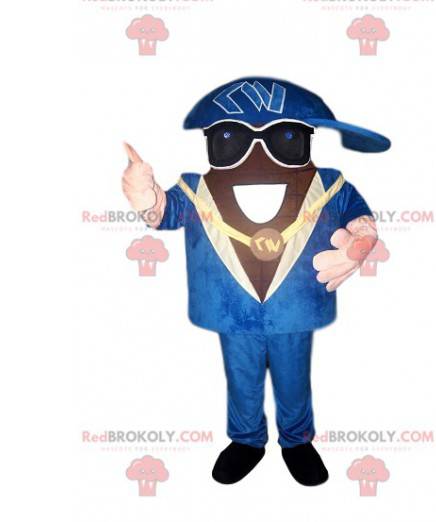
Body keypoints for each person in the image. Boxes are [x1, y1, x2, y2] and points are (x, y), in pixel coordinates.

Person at [121, 77, 390, 486]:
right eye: (232, 139)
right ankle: (247, 441)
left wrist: (359, 245)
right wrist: (145, 196)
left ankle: (297, 441)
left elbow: (359, 219)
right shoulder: (195, 190)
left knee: (293, 377)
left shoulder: (330, 186)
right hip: (234, 310)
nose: (258, 151)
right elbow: (165, 214)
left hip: (293, 308)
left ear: (306, 139)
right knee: (241, 376)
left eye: (285, 137)